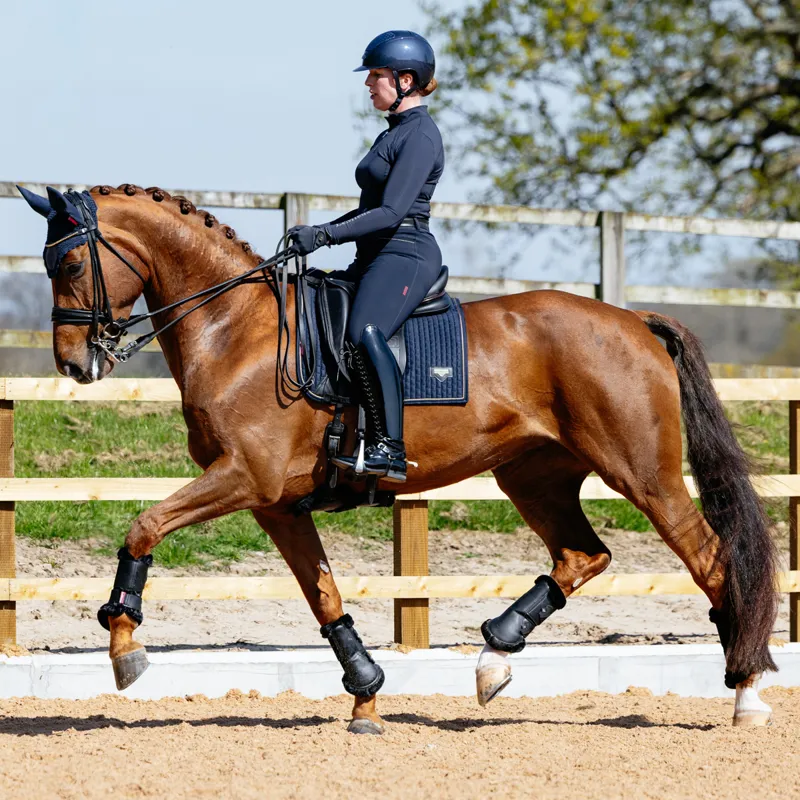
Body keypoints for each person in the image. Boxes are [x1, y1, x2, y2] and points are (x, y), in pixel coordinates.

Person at [288, 30, 444, 483]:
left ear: (406, 80)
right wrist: (318, 233)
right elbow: (370, 208)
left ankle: (389, 448)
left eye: (376, 75)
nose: (368, 84)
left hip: (406, 251)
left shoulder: (420, 136)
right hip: (376, 251)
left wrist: (326, 235)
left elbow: (393, 212)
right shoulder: (393, 134)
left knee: (364, 331)